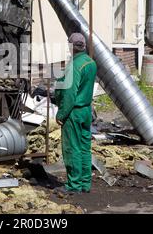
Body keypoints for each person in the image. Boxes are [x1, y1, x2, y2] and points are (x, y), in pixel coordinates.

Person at [54, 33, 97, 195]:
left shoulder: (74, 66)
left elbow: (70, 94)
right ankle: (85, 183)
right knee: (85, 147)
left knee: (72, 148)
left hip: (74, 112)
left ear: (71, 46)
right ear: (84, 46)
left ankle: (74, 185)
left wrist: (61, 114)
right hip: (86, 110)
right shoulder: (90, 63)